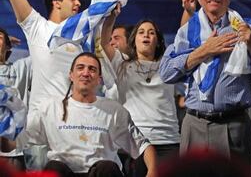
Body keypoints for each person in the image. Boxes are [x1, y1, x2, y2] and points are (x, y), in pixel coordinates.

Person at [159, 0, 251, 167]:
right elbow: (167, 73)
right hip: (195, 124)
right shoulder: (187, 31)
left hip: (235, 126)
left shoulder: (249, 30)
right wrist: (204, 51)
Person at [6, 0, 84, 169]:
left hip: (74, 123)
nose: (79, 3)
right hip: (40, 126)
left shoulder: (81, 38)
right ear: (56, 3)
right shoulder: (37, 26)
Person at [25, 52, 157, 177]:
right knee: (53, 168)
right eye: (80, 68)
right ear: (71, 75)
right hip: (65, 172)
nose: (86, 73)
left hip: (101, 173)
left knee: (106, 168)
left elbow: (143, 146)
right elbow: (20, 140)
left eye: (92, 69)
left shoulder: (114, 110)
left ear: (99, 79)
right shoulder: (50, 107)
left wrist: (153, 171)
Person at [102, 12, 180, 175]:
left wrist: (187, 11)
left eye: (151, 33)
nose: (146, 35)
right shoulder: (122, 65)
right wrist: (111, 18)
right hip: (135, 143)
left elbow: (182, 42)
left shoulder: (167, 65)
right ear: (134, 40)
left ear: (157, 42)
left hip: (168, 141)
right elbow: (104, 43)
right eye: (141, 32)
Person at [0, 27, 31, 170]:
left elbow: (45, 52)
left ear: (7, 46)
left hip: (12, 153)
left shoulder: (20, 68)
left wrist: (6, 42)